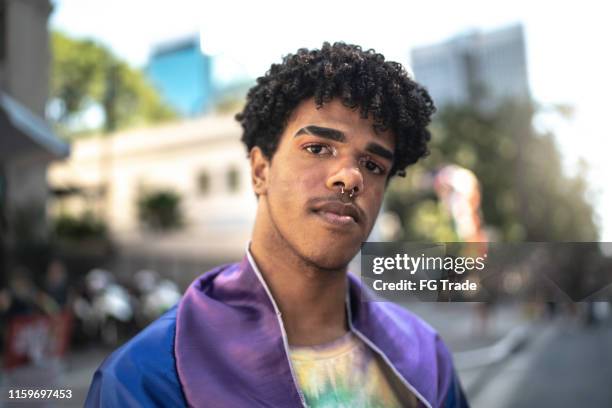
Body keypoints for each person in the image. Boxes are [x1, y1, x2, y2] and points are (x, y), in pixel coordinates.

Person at [86, 42, 468, 407]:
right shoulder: (148, 376)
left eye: (373, 165)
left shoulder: (426, 357)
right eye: (318, 148)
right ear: (259, 170)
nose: (350, 177)